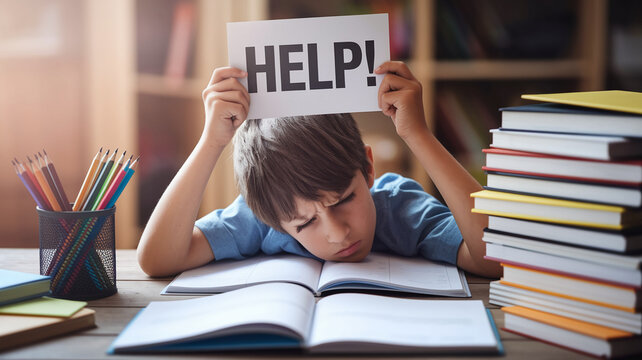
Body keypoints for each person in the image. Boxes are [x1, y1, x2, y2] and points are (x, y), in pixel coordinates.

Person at [137, 61, 501, 278]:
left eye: (343, 199)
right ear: (277, 222)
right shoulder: (265, 212)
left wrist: (417, 133)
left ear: (369, 167)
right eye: (304, 223)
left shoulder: (401, 208)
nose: (338, 233)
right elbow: (157, 259)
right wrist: (210, 144)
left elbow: (497, 258)